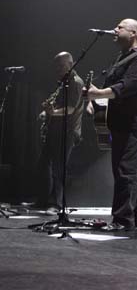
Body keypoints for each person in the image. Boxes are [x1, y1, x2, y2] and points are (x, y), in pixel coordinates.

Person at [86, 19, 137, 231]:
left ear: (134, 33)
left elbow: (126, 87)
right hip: (120, 126)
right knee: (124, 172)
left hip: (136, 127)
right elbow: (109, 88)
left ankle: (122, 221)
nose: (114, 30)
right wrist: (95, 101)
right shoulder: (120, 60)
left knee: (127, 173)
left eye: (119, 27)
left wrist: (99, 93)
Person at [37, 52, 84, 216]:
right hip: (55, 130)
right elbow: (57, 106)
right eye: (56, 65)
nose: (57, 69)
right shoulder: (63, 82)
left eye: (61, 65)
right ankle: (44, 199)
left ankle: (55, 204)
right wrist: (47, 113)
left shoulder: (76, 83)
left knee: (58, 169)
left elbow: (70, 109)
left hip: (68, 132)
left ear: (70, 64)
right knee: (43, 165)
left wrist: (52, 112)